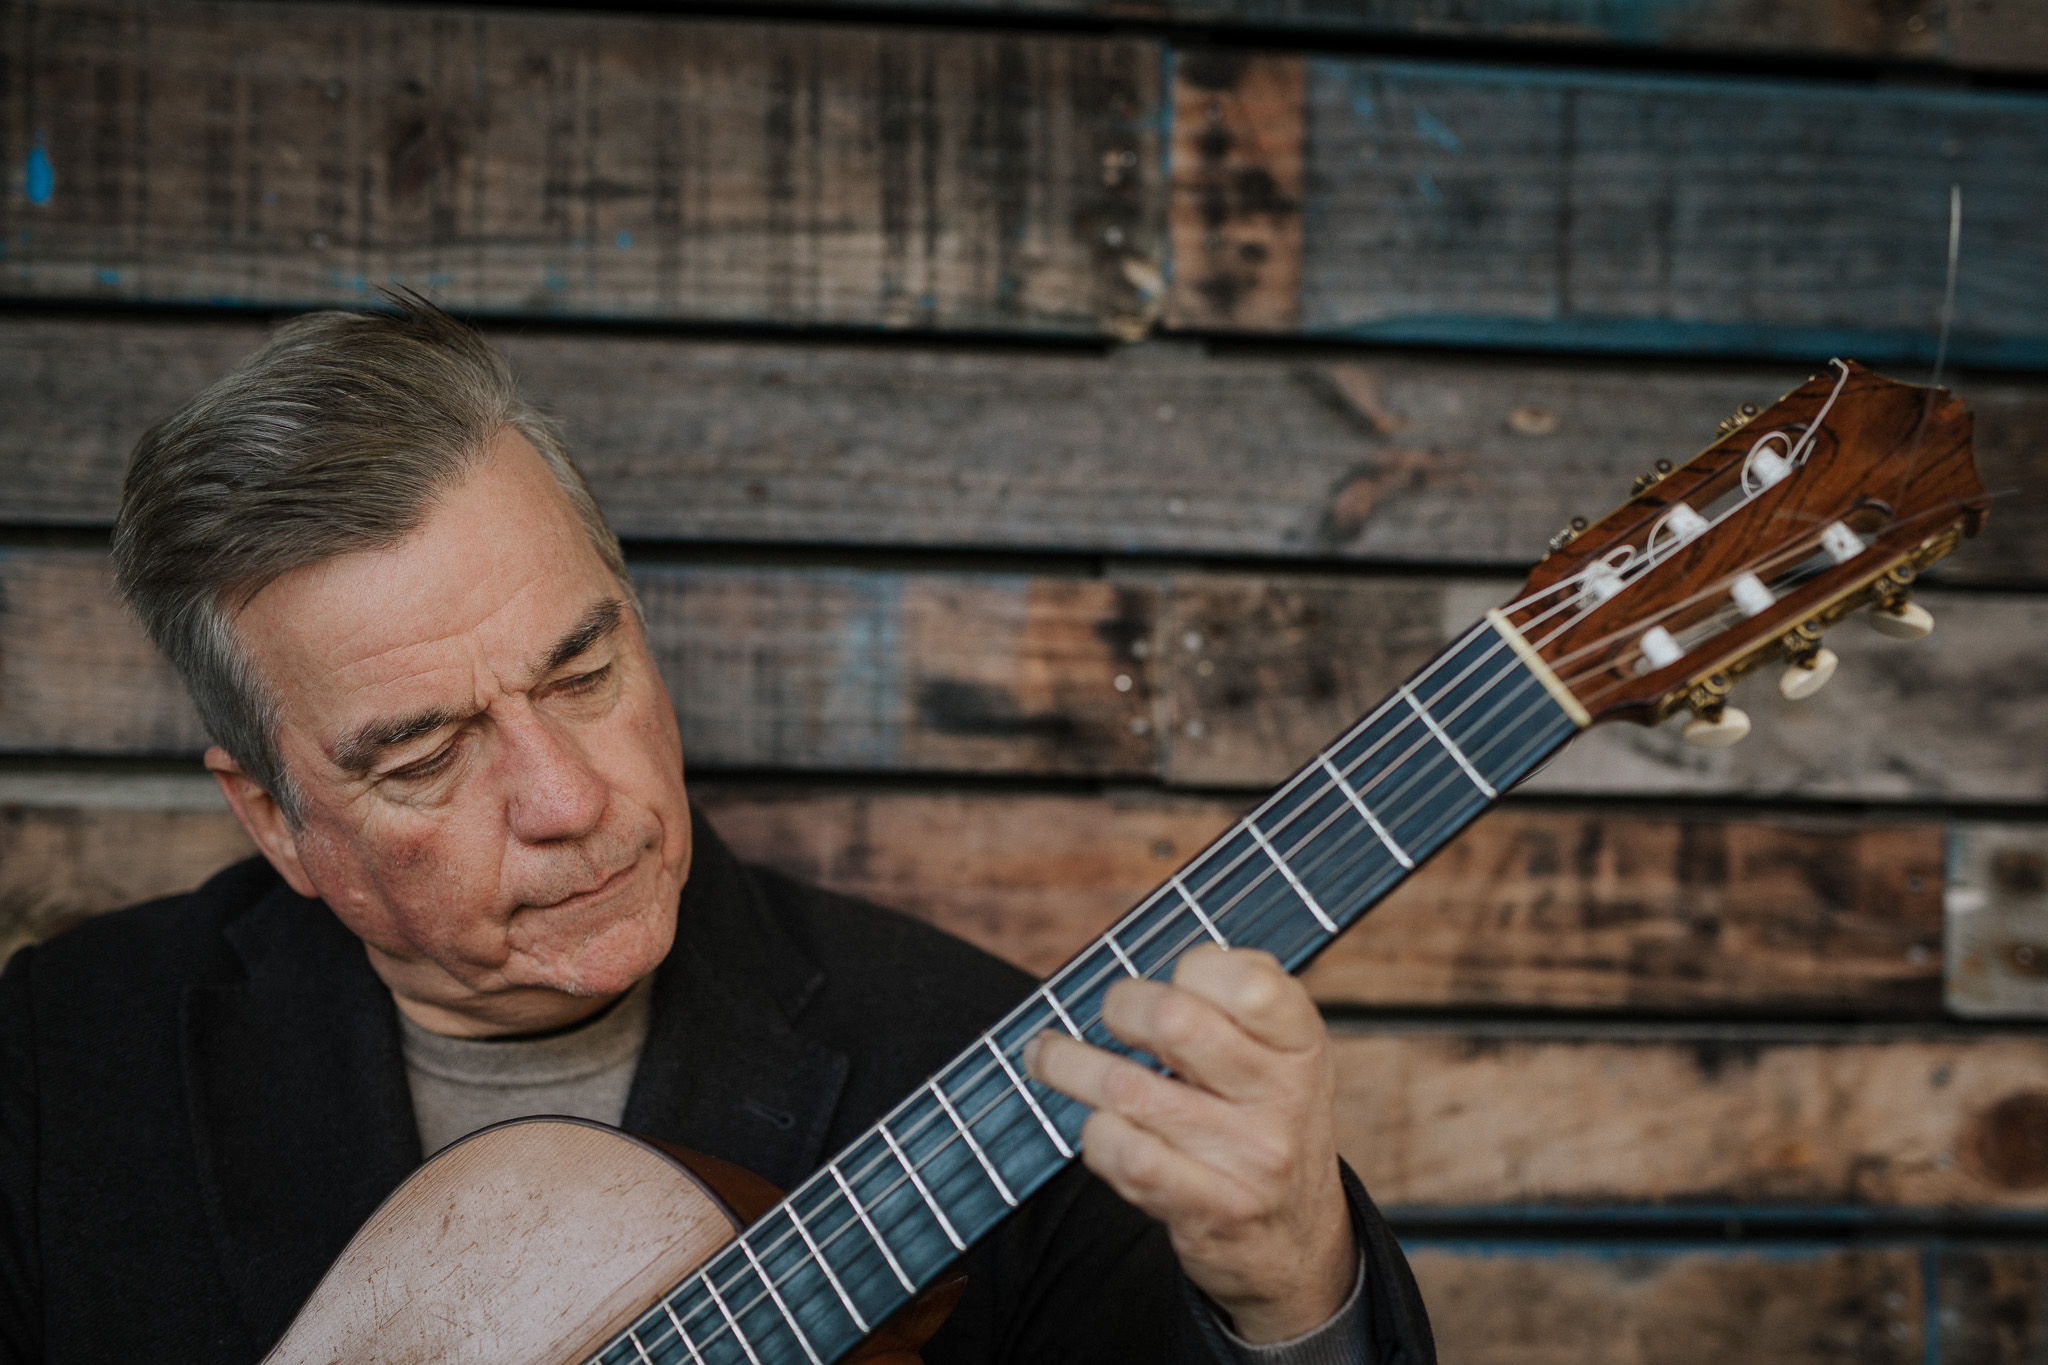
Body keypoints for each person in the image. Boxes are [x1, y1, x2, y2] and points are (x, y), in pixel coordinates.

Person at [0, 298, 1434, 1364]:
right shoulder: (61, 1062)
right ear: (276, 815)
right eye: (426, 753)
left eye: (584, 671)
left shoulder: (999, 1077)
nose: (570, 801)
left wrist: (1293, 1284)